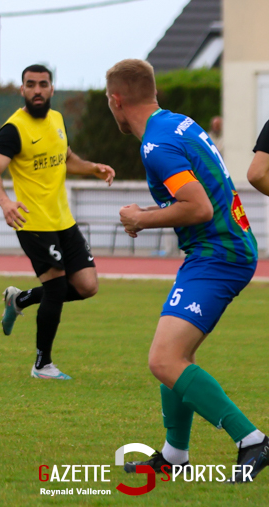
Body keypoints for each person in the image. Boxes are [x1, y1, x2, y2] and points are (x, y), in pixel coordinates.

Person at [106, 58, 268, 483]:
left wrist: (140, 217)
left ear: (115, 101)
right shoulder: (178, 122)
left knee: (163, 359)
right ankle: (175, 455)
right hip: (217, 249)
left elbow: (197, 206)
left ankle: (251, 439)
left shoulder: (156, 147)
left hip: (220, 253)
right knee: (175, 354)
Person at [0, 64, 115, 380]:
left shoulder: (56, 120)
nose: (37, 90)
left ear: (52, 89)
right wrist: (5, 203)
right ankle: (42, 365)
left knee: (86, 286)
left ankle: (21, 299)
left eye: (43, 84)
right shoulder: (14, 129)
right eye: (31, 84)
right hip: (33, 222)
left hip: (62, 219)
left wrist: (92, 168)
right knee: (55, 288)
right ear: (22, 90)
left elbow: (66, 158)